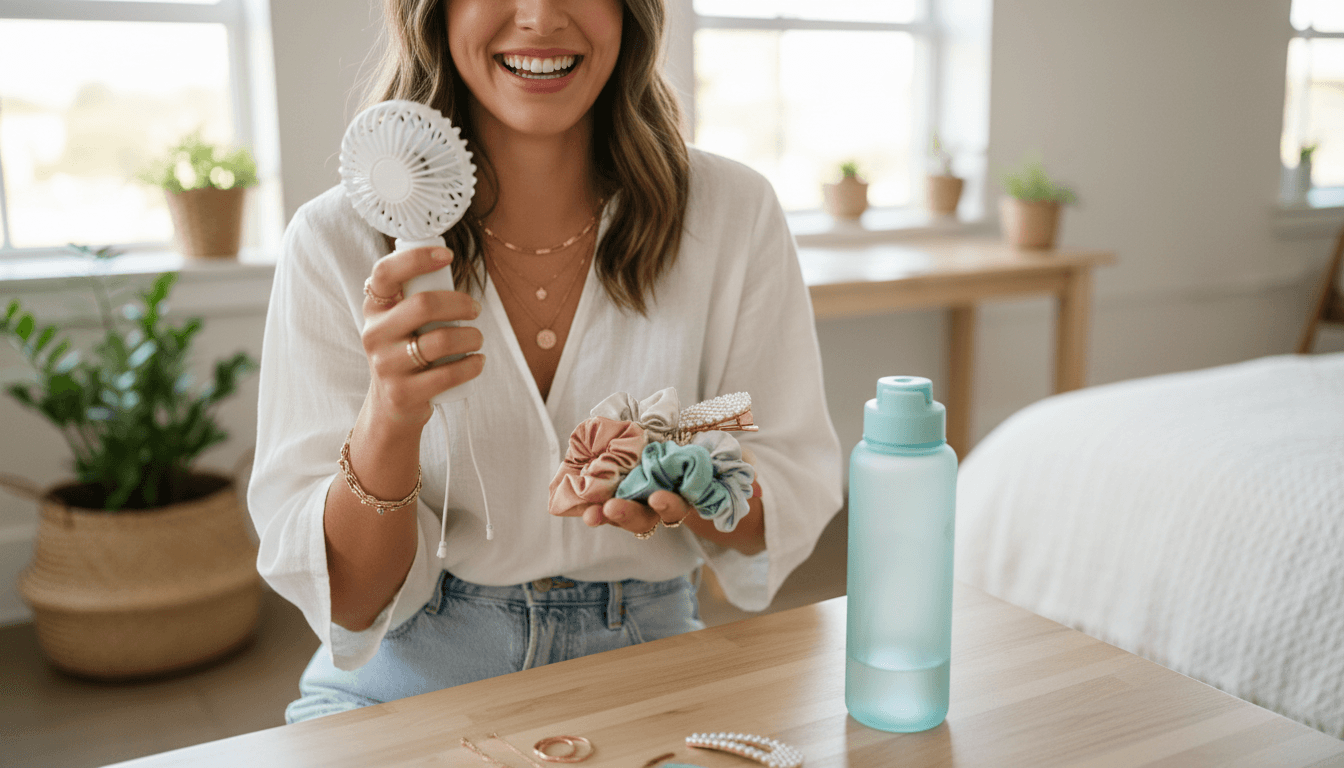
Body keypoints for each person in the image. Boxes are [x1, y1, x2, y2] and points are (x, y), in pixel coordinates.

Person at [248, 0, 842, 723]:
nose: (538, 16)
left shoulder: (733, 213)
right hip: (413, 663)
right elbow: (349, 602)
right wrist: (391, 417)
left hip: (647, 652)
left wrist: (694, 482)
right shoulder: (334, 241)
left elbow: (785, 498)